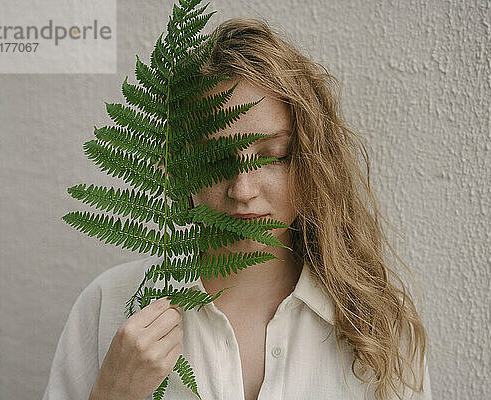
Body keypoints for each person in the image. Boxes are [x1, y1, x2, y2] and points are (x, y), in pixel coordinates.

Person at [43, 17, 432, 400]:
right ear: (180, 166)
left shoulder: (376, 327)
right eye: (214, 160)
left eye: (273, 156)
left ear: (314, 161)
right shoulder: (107, 307)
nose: (243, 190)